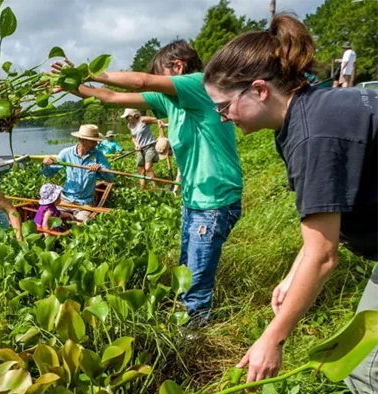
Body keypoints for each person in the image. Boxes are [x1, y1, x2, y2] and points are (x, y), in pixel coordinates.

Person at [203, 14, 378, 394]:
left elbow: (323, 257)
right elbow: (325, 222)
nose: (224, 118)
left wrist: (271, 340)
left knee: (371, 371)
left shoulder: (312, 134)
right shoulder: (311, 109)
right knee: (363, 361)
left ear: (259, 90)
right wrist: (292, 271)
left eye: (224, 107)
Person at [51, 40, 243, 324]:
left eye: (159, 77)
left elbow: (140, 81)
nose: (154, 85)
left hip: (216, 198)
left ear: (177, 67)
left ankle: (196, 331)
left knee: (198, 276)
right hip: (195, 199)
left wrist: (86, 72)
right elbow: (111, 97)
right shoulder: (168, 101)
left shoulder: (198, 84)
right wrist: (74, 87)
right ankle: (188, 317)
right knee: (187, 268)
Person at [41, 124, 114, 222]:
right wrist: (45, 165)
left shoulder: (98, 156)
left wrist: (100, 170)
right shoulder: (66, 153)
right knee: (49, 218)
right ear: (82, 140)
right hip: (65, 200)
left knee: (79, 225)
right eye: (93, 141)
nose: (96, 144)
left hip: (85, 203)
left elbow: (110, 179)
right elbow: (48, 173)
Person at [122, 109, 161, 189]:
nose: (126, 119)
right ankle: (142, 189)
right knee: (141, 170)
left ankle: (156, 188)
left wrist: (161, 135)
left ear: (133, 115)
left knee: (148, 168)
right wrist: (136, 145)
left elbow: (159, 121)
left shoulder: (143, 119)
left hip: (150, 146)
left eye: (127, 117)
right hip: (140, 149)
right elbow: (133, 137)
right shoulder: (129, 125)